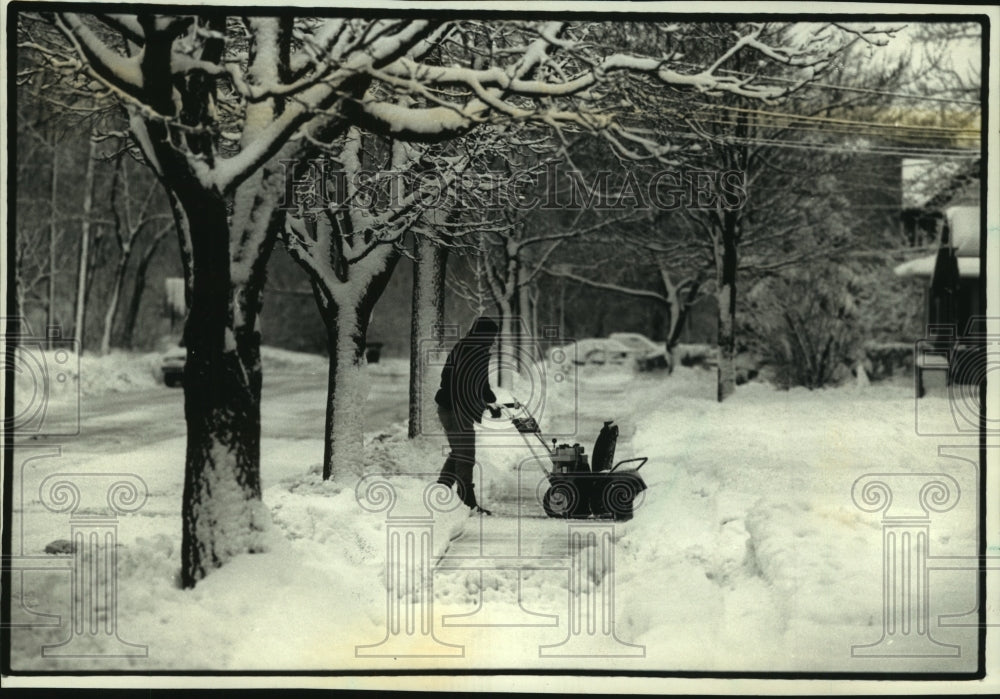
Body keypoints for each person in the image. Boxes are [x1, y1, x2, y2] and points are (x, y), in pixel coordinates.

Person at [435, 316, 501, 514]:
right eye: (491, 336)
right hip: (454, 409)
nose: (493, 340)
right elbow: (455, 380)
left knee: (459, 452)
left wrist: (490, 401)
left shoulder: (473, 349)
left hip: (454, 408)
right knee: (466, 455)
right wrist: (480, 401)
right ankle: (466, 501)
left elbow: (481, 383)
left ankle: (441, 491)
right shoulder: (469, 351)